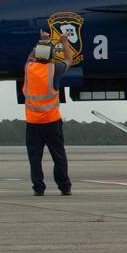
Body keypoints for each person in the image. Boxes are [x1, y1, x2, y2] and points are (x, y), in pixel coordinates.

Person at [23, 34, 72, 196]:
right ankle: (64, 188)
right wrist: (64, 43)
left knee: (35, 159)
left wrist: (42, 41)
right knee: (59, 156)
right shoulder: (54, 69)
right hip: (52, 123)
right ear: (51, 55)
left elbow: (30, 57)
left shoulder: (29, 69)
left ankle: (38, 189)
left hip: (33, 124)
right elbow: (69, 60)